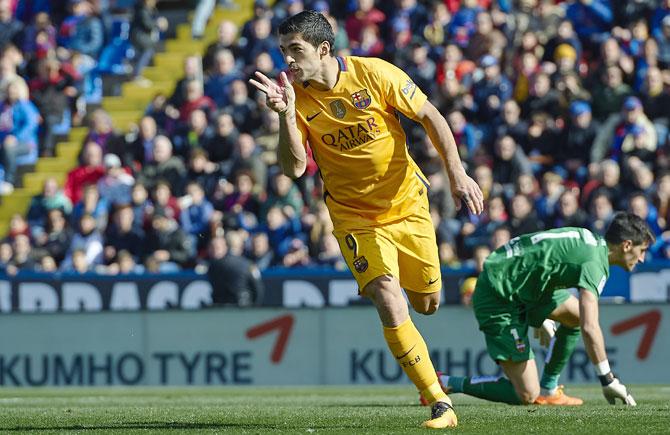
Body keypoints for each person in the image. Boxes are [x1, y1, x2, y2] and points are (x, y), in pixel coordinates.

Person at [249, 11, 483, 429]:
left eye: (295, 50)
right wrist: (284, 115)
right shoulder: (295, 98)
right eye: (283, 50)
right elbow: (294, 168)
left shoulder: (374, 74)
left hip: (407, 205)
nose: (287, 60)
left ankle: (430, 378)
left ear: (323, 49)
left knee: (427, 304)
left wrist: (457, 174)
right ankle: (438, 401)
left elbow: (431, 116)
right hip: (354, 216)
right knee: (388, 299)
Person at [422, 212, 652, 408]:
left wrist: (540, 310)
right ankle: (448, 381)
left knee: (576, 315)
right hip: (499, 294)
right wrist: (608, 380)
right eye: (642, 251)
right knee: (527, 394)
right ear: (627, 245)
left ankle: (550, 389)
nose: (642, 259)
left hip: (520, 285)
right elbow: (590, 328)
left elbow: (541, 258)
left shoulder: (588, 241)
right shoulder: (594, 263)